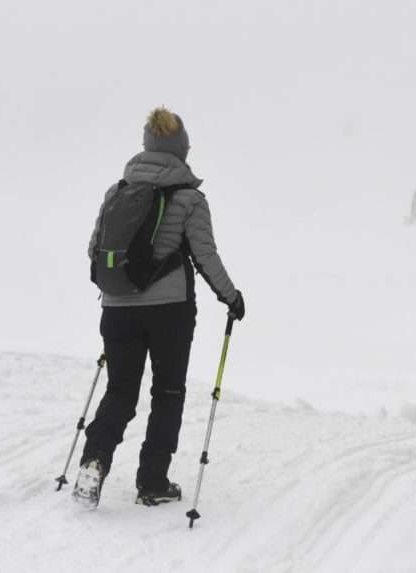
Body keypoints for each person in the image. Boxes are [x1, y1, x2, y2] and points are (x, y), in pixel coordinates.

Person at [74, 107, 244, 508]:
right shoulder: (189, 197)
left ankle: (93, 460)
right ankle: (152, 481)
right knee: (167, 392)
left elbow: (93, 250)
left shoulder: (116, 193)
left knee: (120, 391)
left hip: (117, 307)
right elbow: (205, 256)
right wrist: (232, 297)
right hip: (170, 309)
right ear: (181, 149)